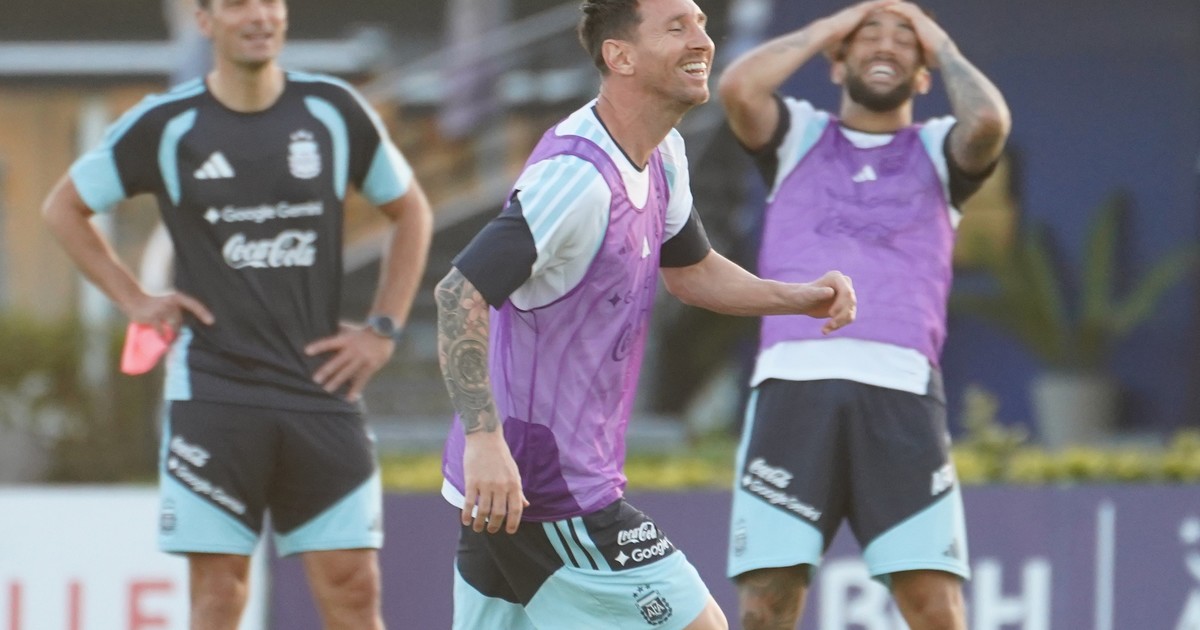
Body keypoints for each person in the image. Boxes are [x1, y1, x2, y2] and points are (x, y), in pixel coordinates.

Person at [434, 0, 856, 628]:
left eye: (702, 24)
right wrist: (484, 442)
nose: (702, 40)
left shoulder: (664, 154)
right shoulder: (575, 179)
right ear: (620, 56)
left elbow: (690, 270)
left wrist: (796, 297)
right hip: (547, 487)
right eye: (677, 27)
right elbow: (457, 294)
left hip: (522, 486)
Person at [41, 0, 433, 627]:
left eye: (270, 1)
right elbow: (64, 207)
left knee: (354, 590)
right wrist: (135, 299)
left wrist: (383, 328)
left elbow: (410, 210)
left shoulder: (332, 110)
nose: (258, 16)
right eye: (236, 3)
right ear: (204, 21)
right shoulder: (166, 124)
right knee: (219, 595)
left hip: (321, 389)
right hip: (214, 393)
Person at [718, 1, 1011, 628]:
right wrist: (832, 26)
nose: (885, 46)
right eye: (869, 37)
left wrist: (941, 43)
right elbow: (739, 87)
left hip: (900, 394)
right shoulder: (797, 135)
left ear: (925, 74)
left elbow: (988, 120)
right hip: (793, 387)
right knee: (766, 605)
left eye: (905, 40)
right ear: (836, 63)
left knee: (934, 608)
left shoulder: (937, 148)